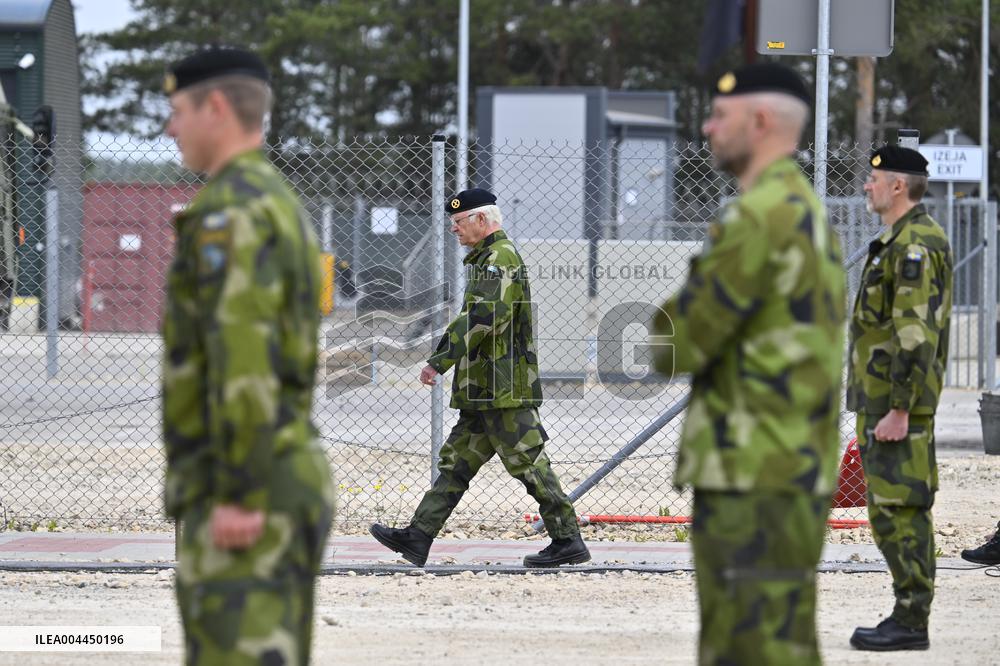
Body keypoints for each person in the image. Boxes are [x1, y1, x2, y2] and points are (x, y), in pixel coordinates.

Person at [650, 63, 845, 665]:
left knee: (749, 650)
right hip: (784, 464)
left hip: (752, 473)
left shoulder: (759, 215)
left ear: (760, 121)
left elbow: (675, 344)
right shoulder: (800, 207)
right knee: (778, 646)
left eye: (719, 116)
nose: (708, 128)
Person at [161, 46, 335, 665]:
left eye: (177, 110)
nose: (170, 128)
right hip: (274, 476)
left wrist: (238, 491)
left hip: (248, 490)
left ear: (215, 107)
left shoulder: (232, 212)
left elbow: (245, 358)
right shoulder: (272, 200)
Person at [369, 188, 590, 568]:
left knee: (529, 465)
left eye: (459, 221)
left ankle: (568, 539)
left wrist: (440, 360)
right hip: (484, 389)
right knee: (455, 464)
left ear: (482, 220)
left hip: (503, 389)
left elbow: (484, 317)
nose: (454, 229)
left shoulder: (499, 258)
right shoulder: (486, 259)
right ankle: (418, 536)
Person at [847, 145, 953, 651]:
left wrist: (900, 409)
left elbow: (915, 335)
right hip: (882, 399)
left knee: (902, 509)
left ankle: (911, 621)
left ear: (897, 186)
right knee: (889, 510)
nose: (866, 186)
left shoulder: (915, 246)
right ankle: (908, 614)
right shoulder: (898, 240)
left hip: (896, 404)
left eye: (875, 179)